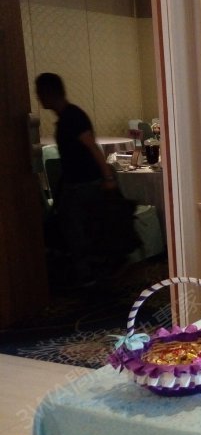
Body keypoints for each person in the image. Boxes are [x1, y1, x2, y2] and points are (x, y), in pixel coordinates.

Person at [36, 72, 120, 286]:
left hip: (86, 183)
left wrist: (108, 177)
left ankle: (90, 276)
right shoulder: (67, 117)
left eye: (40, 93)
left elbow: (92, 147)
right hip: (77, 183)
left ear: (49, 92)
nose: (38, 98)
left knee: (80, 231)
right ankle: (90, 275)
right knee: (79, 229)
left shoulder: (73, 117)